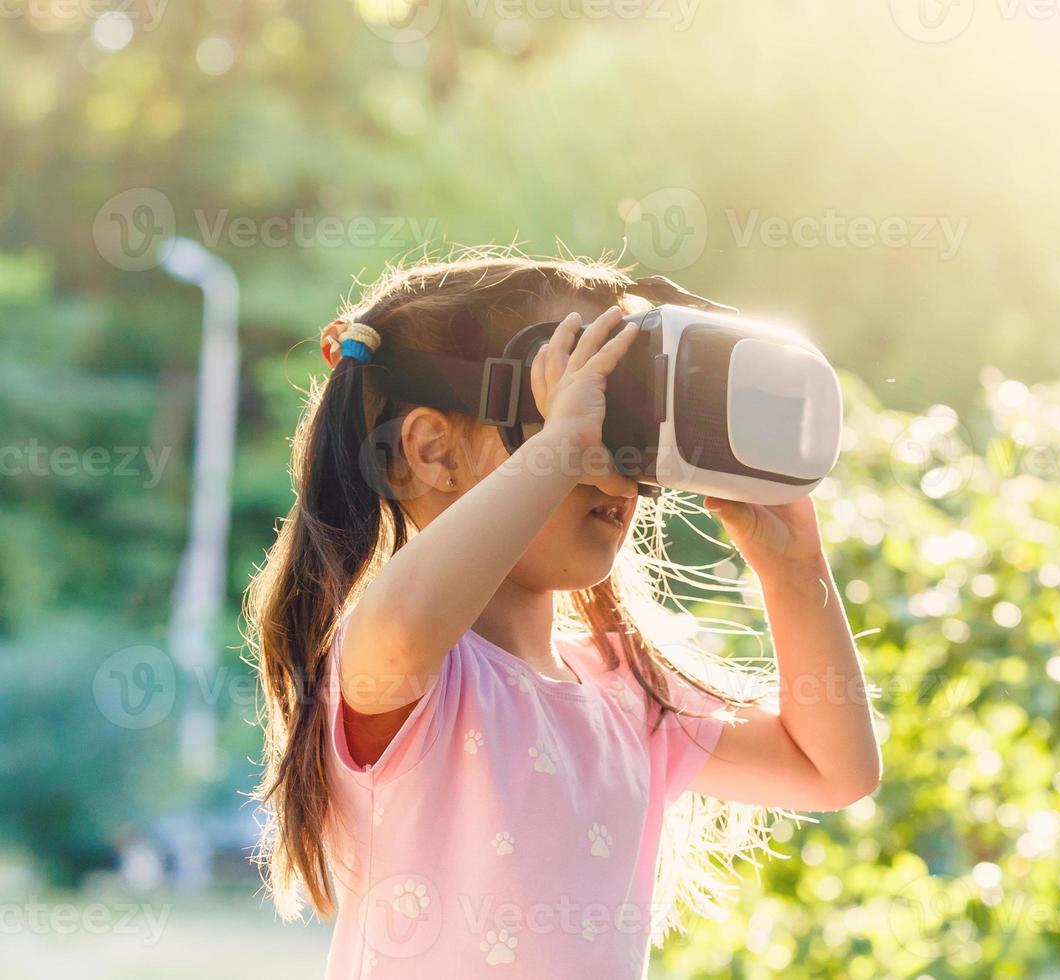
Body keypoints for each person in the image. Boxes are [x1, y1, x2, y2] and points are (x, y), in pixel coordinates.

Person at [244, 253, 881, 977]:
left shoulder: (626, 695)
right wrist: (563, 445)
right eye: (568, 398)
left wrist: (795, 569)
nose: (607, 453)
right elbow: (399, 626)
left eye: (622, 405)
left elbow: (833, 770)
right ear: (429, 452)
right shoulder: (416, 674)